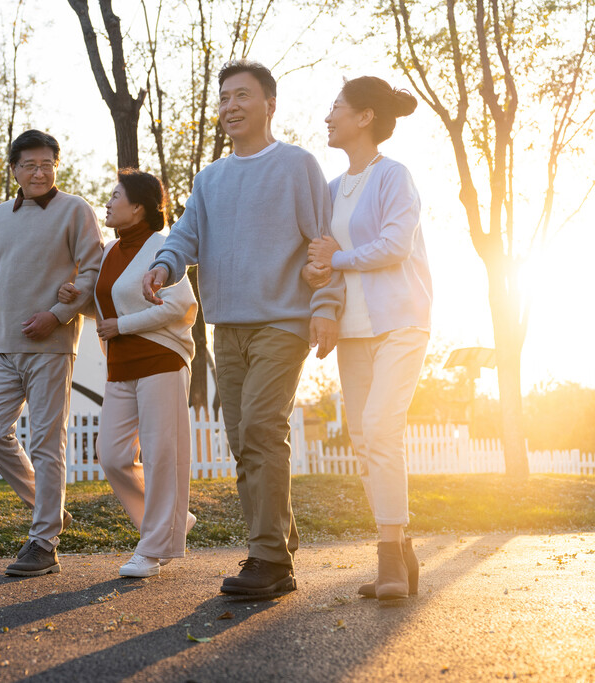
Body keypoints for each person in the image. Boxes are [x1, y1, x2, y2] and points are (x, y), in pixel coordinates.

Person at [141, 60, 344, 599]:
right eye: (224, 98)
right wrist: (165, 265)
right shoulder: (211, 179)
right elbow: (184, 235)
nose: (230, 107)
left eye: (242, 96)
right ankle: (281, 537)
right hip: (226, 327)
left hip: (282, 321)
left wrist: (325, 305)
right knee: (243, 440)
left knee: (259, 427)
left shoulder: (298, 165)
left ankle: (269, 560)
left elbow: (323, 243)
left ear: (269, 104)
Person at [304, 76, 431, 600]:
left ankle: (389, 563)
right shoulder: (330, 191)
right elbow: (322, 261)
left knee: (381, 427)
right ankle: (401, 552)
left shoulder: (394, 176)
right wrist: (321, 280)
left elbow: (394, 246)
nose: (328, 116)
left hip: (401, 320)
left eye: (336, 107)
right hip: (353, 331)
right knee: (363, 441)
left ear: (364, 118)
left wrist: (336, 258)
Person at [0, 129, 104, 577]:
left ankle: (44, 541)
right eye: (29, 164)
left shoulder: (75, 210)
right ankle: (50, 508)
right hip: (5, 348)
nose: (39, 171)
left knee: (47, 442)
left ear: (56, 166)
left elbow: (93, 269)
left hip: (51, 344)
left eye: (47, 163)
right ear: (14, 170)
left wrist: (58, 314)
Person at [58, 169, 198, 578]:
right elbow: (110, 309)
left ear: (137, 207)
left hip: (160, 361)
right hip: (120, 367)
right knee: (115, 455)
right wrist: (78, 301)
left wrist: (122, 326)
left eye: (115, 195)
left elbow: (182, 307)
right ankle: (172, 523)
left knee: (160, 457)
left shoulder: (162, 248)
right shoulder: (109, 252)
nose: (108, 201)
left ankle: (153, 549)